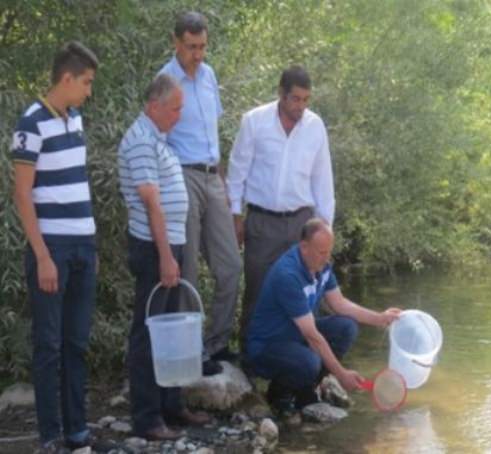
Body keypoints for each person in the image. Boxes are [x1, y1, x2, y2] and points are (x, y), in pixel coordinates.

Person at [12, 41, 99, 454]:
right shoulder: (30, 122)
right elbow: (22, 196)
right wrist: (43, 256)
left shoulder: (76, 117)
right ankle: (50, 437)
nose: (88, 91)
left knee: (77, 344)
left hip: (85, 245)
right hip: (53, 250)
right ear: (67, 78)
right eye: (85, 82)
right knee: (49, 346)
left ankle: (78, 432)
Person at [118, 74, 210, 441]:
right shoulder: (141, 140)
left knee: (171, 330)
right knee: (148, 332)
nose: (179, 115)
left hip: (170, 243)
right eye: (175, 109)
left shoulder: (160, 139)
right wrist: (165, 257)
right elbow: (151, 201)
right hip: (153, 247)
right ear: (154, 106)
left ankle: (172, 405)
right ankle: (147, 417)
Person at [227, 65, 335, 349]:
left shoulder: (315, 127)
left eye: (305, 100)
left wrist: (326, 228)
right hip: (262, 221)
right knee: (257, 288)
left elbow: (323, 181)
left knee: (304, 292)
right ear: (281, 94)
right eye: (295, 99)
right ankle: (250, 359)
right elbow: (237, 171)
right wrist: (235, 215)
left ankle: (298, 365)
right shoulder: (254, 122)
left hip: (302, 222)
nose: (300, 106)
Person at [245, 218, 401, 411]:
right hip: (267, 347)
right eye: (322, 252)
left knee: (347, 327)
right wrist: (341, 374)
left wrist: (380, 318)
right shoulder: (287, 276)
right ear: (304, 247)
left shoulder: (322, 265)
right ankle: (279, 394)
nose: (327, 258)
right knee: (310, 361)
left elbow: (340, 303)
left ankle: (306, 389)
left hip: (295, 335)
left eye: (329, 251)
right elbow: (312, 336)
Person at [159, 11, 241, 373]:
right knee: (188, 268)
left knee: (230, 266)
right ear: (177, 43)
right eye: (191, 47)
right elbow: (157, 135)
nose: (198, 54)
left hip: (212, 176)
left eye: (203, 46)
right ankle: (192, 353)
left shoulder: (208, 75)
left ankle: (217, 343)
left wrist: (223, 181)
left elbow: (213, 133)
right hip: (182, 176)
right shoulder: (165, 79)